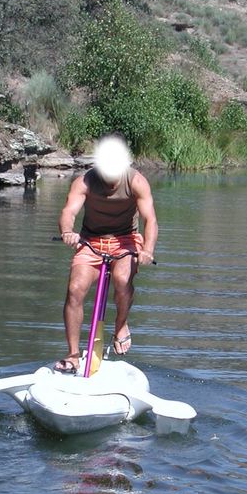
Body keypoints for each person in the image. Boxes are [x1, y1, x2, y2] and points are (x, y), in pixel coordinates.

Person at [54, 135, 158, 374]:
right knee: (75, 289)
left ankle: (120, 325)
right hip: (91, 241)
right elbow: (69, 211)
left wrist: (148, 250)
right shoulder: (85, 181)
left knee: (122, 280)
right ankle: (72, 355)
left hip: (125, 241)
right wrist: (67, 231)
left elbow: (150, 219)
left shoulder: (136, 181)